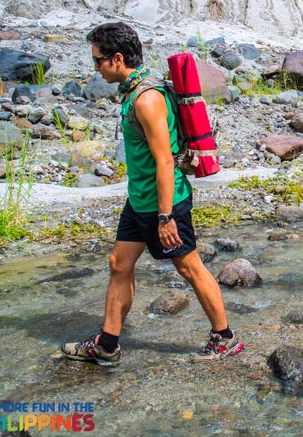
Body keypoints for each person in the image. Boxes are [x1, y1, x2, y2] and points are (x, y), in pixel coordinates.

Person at [61, 22, 242, 365]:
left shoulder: (147, 100)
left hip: (164, 202)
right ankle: (108, 344)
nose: (96, 68)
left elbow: (164, 161)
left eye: (98, 61)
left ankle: (224, 338)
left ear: (117, 58)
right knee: (119, 263)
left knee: (190, 268)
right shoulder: (134, 91)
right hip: (140, 200)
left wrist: (165, 217)